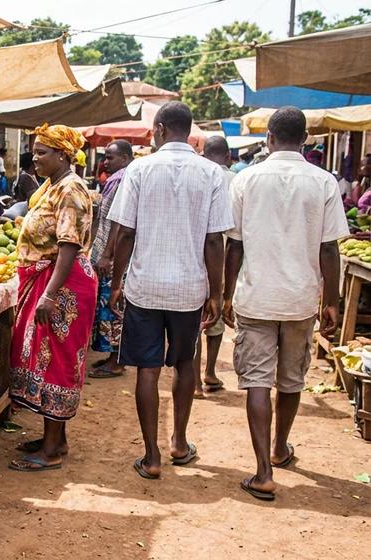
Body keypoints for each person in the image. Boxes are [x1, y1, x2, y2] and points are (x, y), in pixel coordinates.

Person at [223, 107, 347, 501]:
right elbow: (330, 249)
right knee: (291, 379)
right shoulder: (324, 181)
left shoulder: (247, 179)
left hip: (257, 296)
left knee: (257, 380)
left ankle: (262, 472)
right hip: (300, 299)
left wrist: (226, 294)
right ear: (306, 139)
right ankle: (280, 448)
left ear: (269, 139)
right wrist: (332, 301)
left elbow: (234, 246)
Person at [108, 101, 233, 480]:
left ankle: (152, 456)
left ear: (160, 129)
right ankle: (179, 441)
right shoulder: (212, 172)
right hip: (188, 289)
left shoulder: (140, 169)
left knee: (147, 370)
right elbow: (215, 241)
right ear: (188, 130)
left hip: (145, 286)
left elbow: (125, 232)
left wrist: (116, 282)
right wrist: (216, 291)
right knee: (184, 363)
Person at [7, 124, 97, 472]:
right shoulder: (53, 185)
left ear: (62, 154)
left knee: (55, 362)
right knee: (46, 359)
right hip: (52, 282)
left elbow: (69, 245)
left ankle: (51, 451)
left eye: (42, 151)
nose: (35, 157)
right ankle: (55, 438)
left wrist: (49, 294)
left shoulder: (71, 189)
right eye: (35, 150)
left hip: (63, 287)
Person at [194, 136, 237, 397]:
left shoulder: (197, 175)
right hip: (224, 255)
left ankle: (196, 382)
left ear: (204, 154)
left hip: (195, 255)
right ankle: (210, 370)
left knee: (196, 319)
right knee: (216, 313)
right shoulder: (237, 179)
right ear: (228, 155)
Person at [88, 139, 133, 379]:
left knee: (112, 308)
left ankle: (116, 361)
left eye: (110, 157)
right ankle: (114, 356)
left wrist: (107, 255)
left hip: (114, 258)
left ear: (124, 158)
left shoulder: (122, 181)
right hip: (113, 253)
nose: (105, 162)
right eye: (105, 157)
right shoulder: (118, 180)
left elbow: (119, 222)